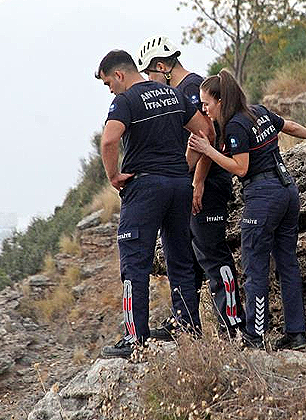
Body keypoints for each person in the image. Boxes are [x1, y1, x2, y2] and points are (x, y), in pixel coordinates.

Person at [188, 69, 306, 350]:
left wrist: (207, 150)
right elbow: (288, 126)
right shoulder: (258, 112)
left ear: (219, 100)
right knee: (287, 264)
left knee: (255, 268)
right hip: (287, 191)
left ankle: (255, 336)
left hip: (263, 196)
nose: (204, 109)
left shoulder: (236, 126)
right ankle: (296, 334)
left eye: (206, 103)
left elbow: (240, 167)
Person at [95, 49, 212, 358]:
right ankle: (189, 329)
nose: (110, 90)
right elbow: (206, 130)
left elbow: (108, 140)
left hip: (144, 186)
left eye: (108, 83)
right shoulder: (173, 95)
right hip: (178, 186)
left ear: (119, 75)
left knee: (135, 262)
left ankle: (136, 339)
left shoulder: (126, 100)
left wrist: (113, 176)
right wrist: (184, 166)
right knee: (180, 260)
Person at [135, 35, 246, 339]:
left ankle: (235, 326)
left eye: (150, 73)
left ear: (162, 66)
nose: (149, 80)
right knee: (191, 257)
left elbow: (208, 137)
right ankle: (185, 322)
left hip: (208, 186)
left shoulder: (190, 89)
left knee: (212, 254)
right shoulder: (183, 90)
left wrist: (192, 178)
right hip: (192, 186)